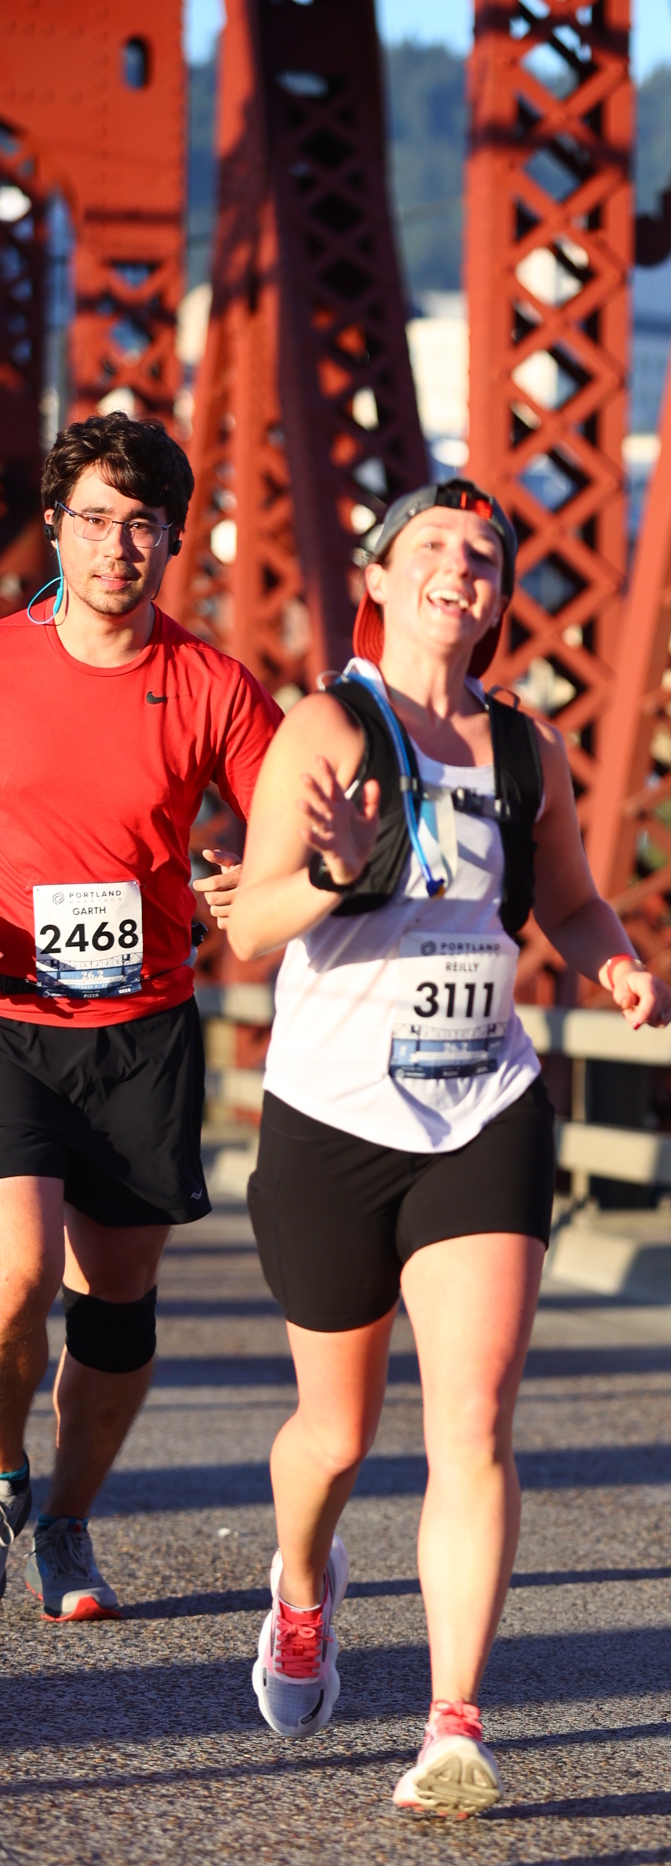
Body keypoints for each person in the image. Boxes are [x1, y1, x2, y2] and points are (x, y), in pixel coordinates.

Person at [229, 478, 671, 1818]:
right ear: (380, 575)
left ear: (497, 596)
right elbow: (249, 926)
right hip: (332, 1114)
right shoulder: (327, 726)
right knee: (335, 1433)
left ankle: (453, 1723)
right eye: (432, 545)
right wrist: (332, 870)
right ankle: (300, 1586)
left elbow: (574, 904)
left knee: (472, 1421)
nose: (460, 568)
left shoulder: (526, 747)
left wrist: (615, 963)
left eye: (484, 554)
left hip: (482, 1106)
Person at [0, 412, 273, 1620]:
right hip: (10, 1015)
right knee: (15, 1277)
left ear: (171, 540)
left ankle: (64, 1519)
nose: (117, 547)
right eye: (96, 520)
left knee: (114, 1304)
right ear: (55, 527)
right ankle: (0, 1472)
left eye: (142, 525)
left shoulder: (212, 684)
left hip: (143, 1028)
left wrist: (252, 879)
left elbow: (292, 832)